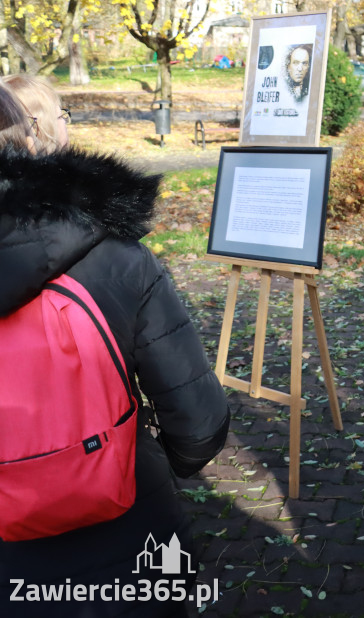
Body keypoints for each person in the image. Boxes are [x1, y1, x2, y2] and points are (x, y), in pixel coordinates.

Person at [0, 77, 229, 617]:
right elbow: (198, 423)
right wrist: (164, 455)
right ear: (26, 138)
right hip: (124, 528)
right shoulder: (118, 256)